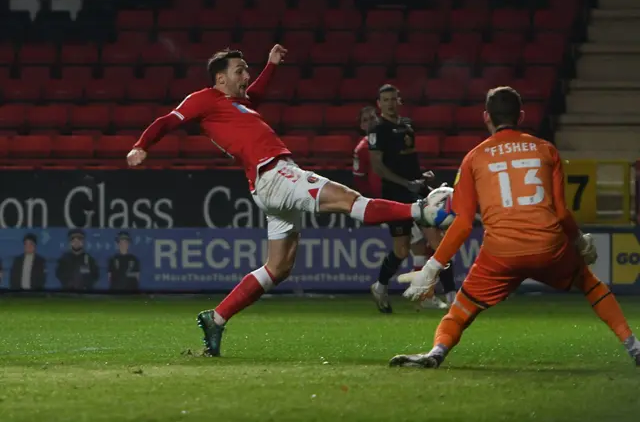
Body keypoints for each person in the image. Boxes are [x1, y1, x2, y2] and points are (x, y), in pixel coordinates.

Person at [127, 45, 437, 357]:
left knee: (278, 267)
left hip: (270, 183)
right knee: (349, 201)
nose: (246, 76)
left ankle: (216, 318)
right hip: (274, 174)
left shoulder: (238, 103)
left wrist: (271, 65)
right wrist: (142, 145)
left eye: (248, 70)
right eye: (240, 70)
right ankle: (421, 210)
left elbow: (256, 95)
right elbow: (167, 120)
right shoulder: (204, 99)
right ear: (220, 78)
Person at [390, 86, 640, 368]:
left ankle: (436, 353)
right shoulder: (545, 149)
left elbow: (462, 222)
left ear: (486, 117)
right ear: (520, 116)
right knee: (591, 286)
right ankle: (634, 347)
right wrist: (580, 242)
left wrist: (432, 268)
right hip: (549, 245)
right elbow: (561, 212)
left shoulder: (474, 158)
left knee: (461, 310)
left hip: (501, 253)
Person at [366, 84, 438, 313]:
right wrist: (406, 183)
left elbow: (409, 160)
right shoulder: (377, 128)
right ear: (379, 104)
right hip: (396, 194)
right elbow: (378, 166)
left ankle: (436, 295)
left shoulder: (407, 125)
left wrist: (421, 175)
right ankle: (380, 286)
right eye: (385, 100)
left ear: (400, 101)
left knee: (437, 240)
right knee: (401, 250)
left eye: (393, 99)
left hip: (416, 189)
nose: (389, 103)